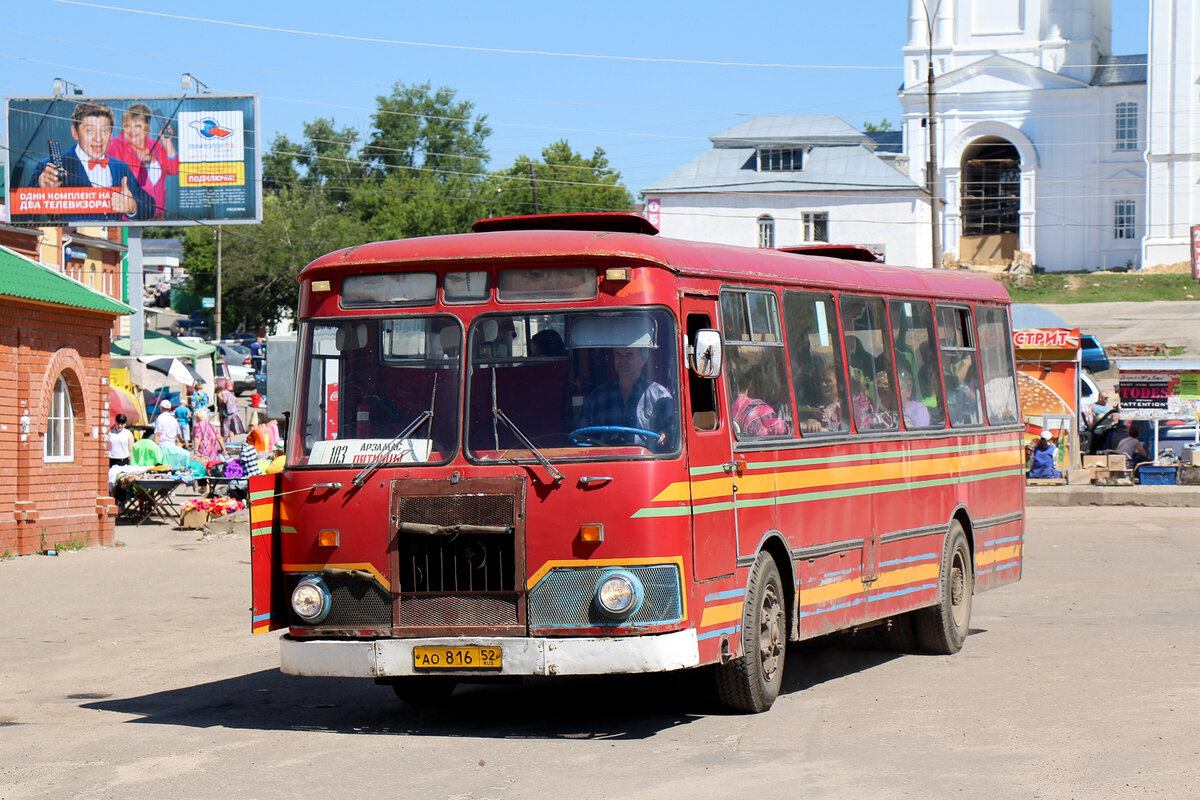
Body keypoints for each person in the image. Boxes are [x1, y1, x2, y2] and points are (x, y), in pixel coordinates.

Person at [31, 101, 154, 220]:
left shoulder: (120, 167)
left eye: (104, 131)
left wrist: (133, 206)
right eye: (90, 130)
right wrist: (42, 191)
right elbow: (20, 215)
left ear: (111, 134)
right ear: (75, 132)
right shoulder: (49, 168)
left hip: (113, 240)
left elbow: (150, 206)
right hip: (71, 240)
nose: (98, 139)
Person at [576, 347, 675, 450]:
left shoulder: (659, 395)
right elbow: (581, 434)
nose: (623, 361)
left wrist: (665, 434)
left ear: (643, 360)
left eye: (629, 355)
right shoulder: (597, 396)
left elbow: (671, 431)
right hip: (605, 462)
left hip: (644, 462)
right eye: (618, 354)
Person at [106, 103, 177, 219]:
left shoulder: (154, 144)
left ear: (147, 128)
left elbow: (174, 169)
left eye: (138, 126)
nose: (132, 131)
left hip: (157, 219)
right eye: (127, 126)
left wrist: (167, 141)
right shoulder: (115, 145)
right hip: (129, 219)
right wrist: (141, 163)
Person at [731, 360, 791, 438]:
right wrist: (803, 425)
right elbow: (785, 431)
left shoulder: (726, 406)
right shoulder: (761, 409)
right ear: (750, 383)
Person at [798, 366, 845, 433]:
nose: (823, 384)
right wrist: (809, 422)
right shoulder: (812, 408)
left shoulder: (848, 407)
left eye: (828, 381)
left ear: (840, 384)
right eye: (822, 380)